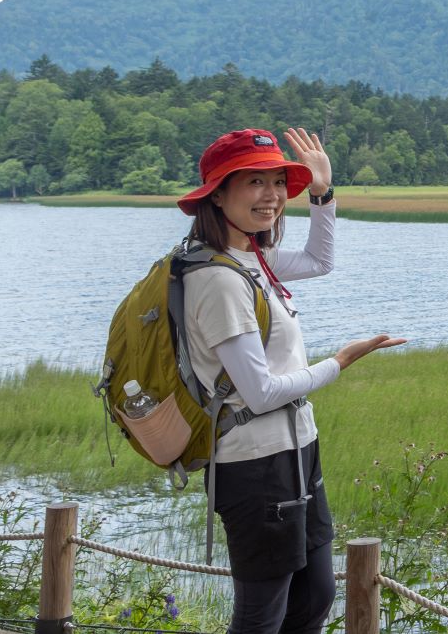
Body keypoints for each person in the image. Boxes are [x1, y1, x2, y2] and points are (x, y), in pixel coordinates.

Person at [176, 127, 404, 634]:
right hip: (253, 466)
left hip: (299, 449)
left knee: (315, 598)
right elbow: (258, 394)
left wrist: (322, 194)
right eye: (254, 182)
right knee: (263, 615)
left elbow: (320, 261)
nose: (272, 195)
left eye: (278, 181)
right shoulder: (215, 279)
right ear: (217, 194)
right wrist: (339, 363)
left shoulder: (252, 260)